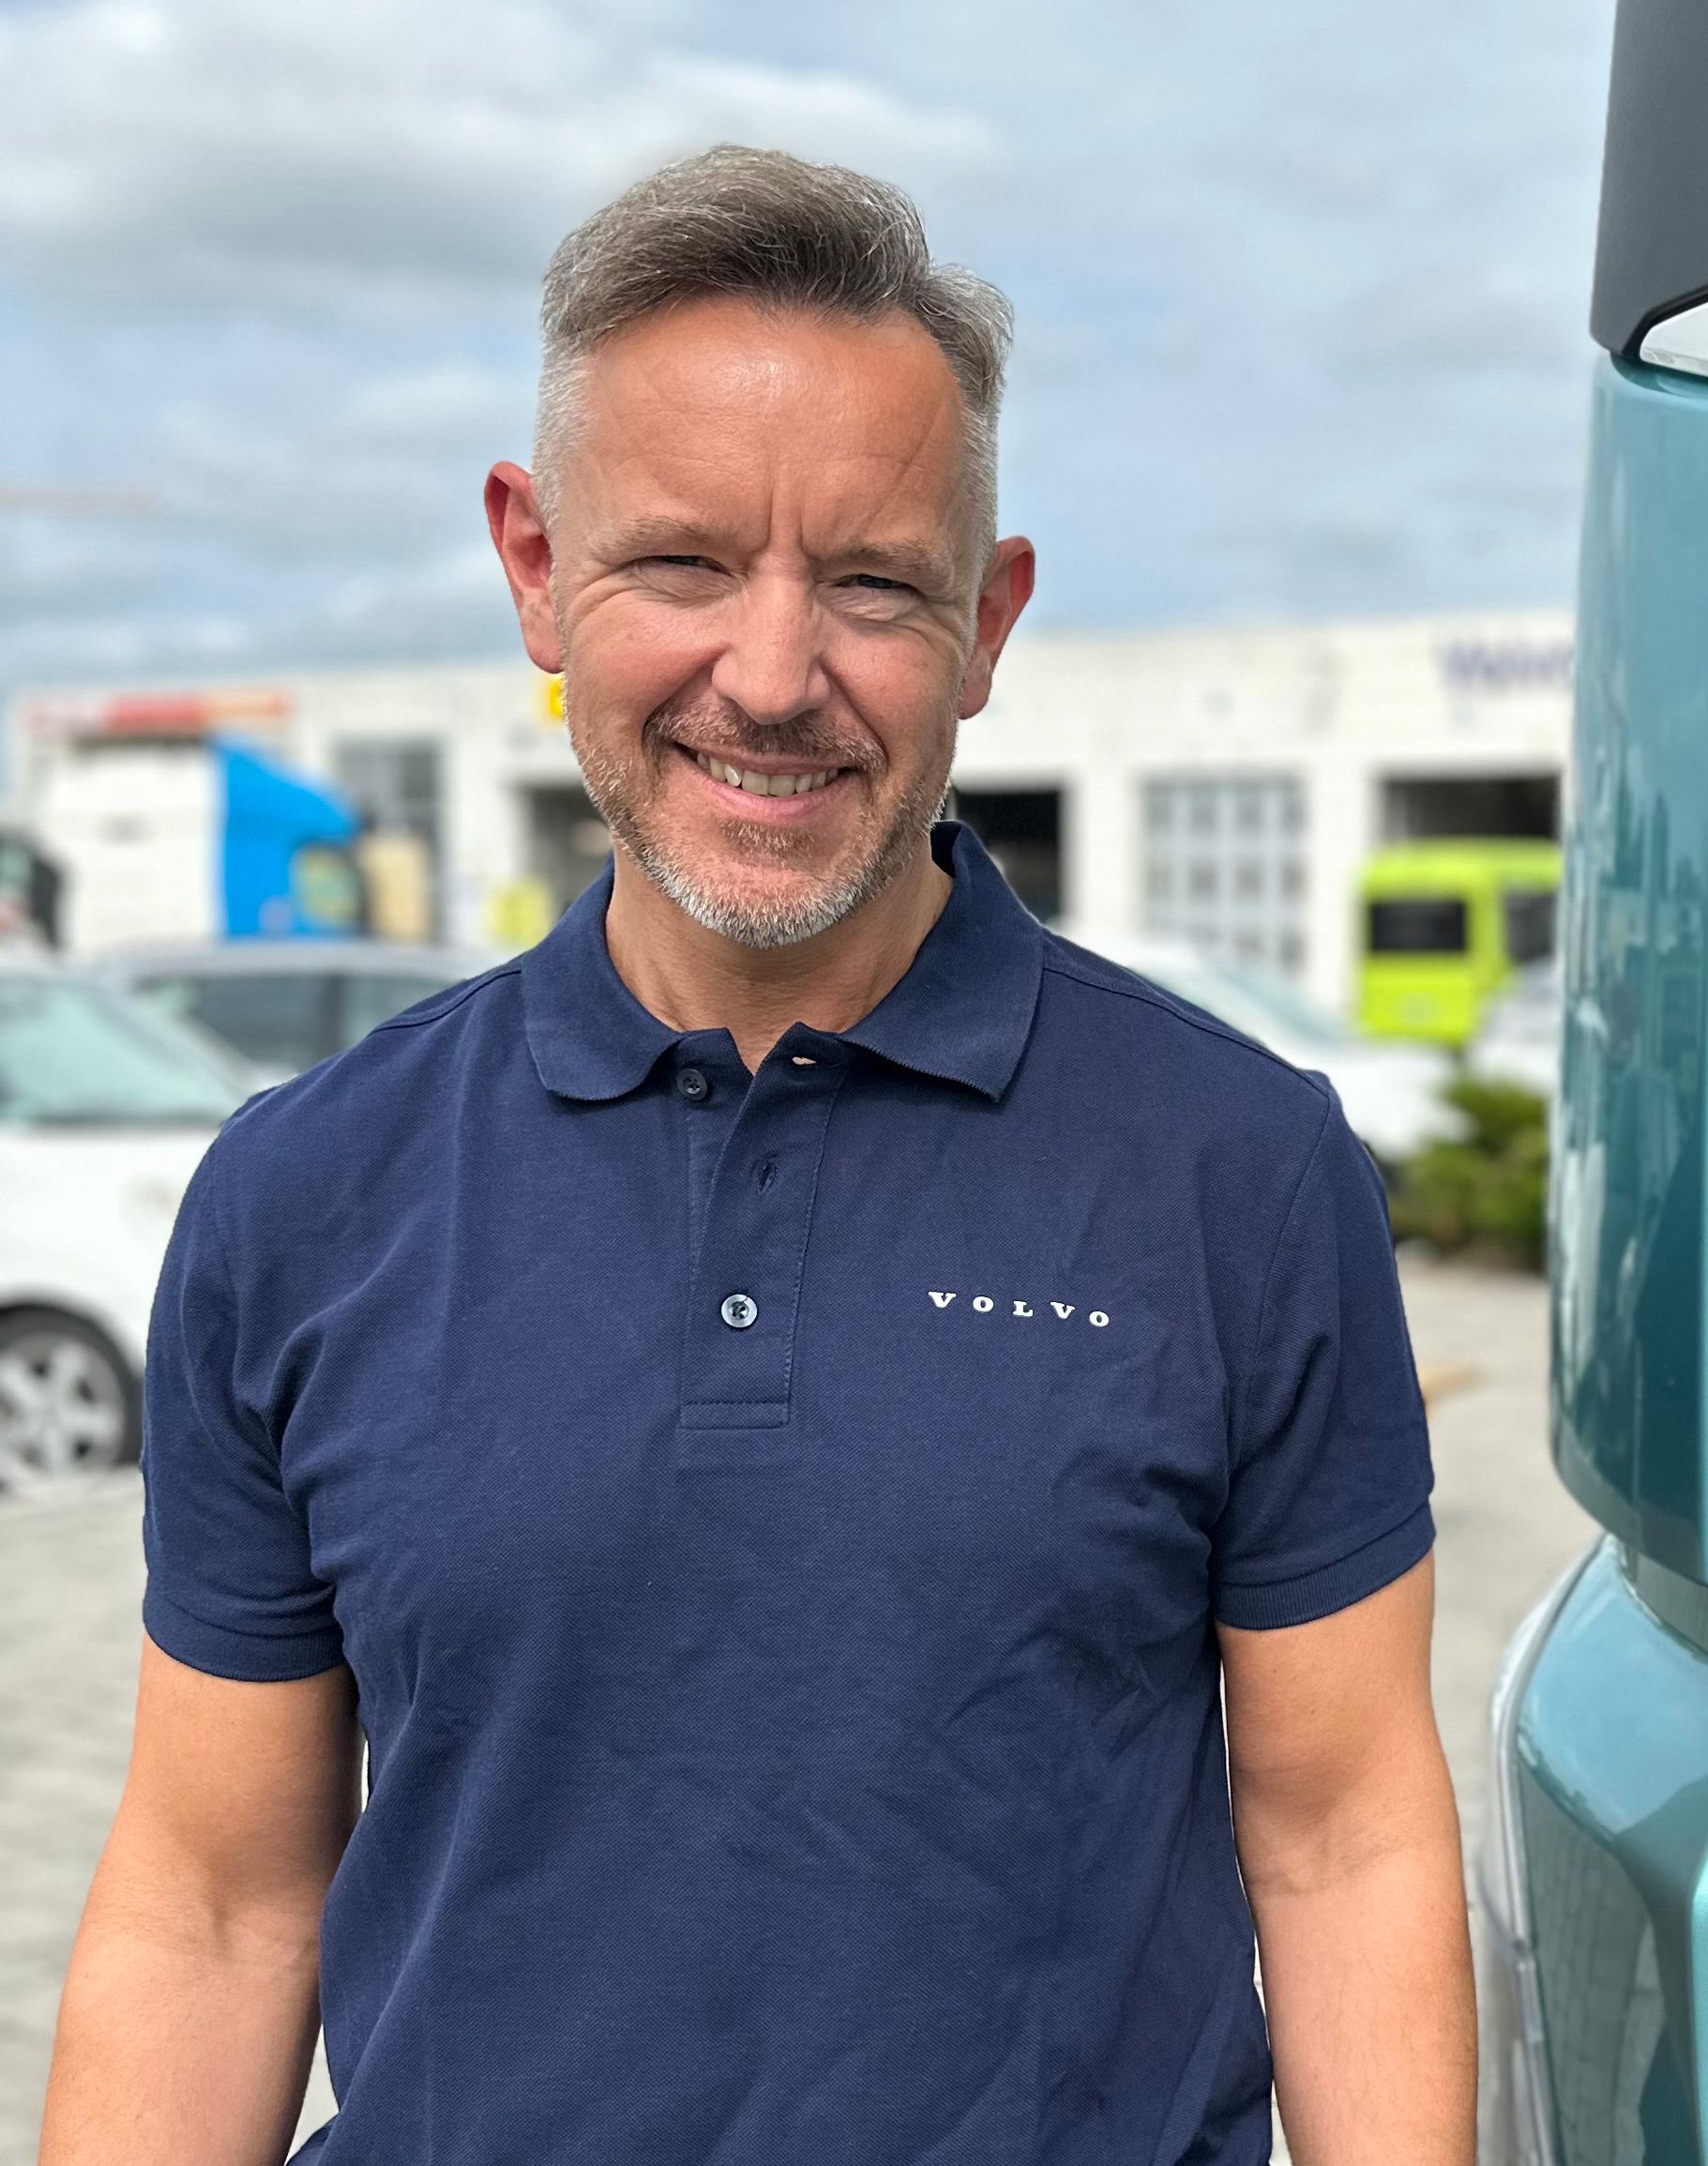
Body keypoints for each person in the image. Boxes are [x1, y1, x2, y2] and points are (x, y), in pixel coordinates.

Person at [39, 148, 1473, 2165]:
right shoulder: (304, 1198)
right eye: (686, 565)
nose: (777, 677)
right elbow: (213, 1904)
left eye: (874, 583)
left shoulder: (1240, 1167)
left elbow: (1343, 1840)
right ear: (536, 566)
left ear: (990, 621)